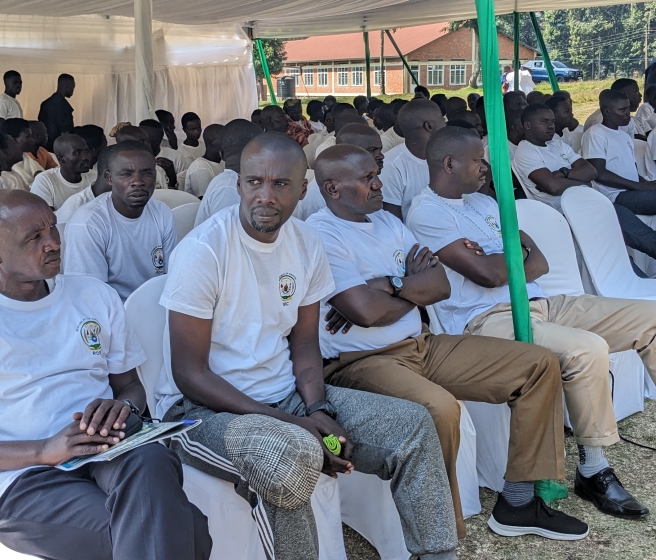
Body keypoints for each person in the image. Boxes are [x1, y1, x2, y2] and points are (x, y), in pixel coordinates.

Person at [408, 127, 656, 517]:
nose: (486, 167)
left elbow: (537, 261)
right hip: (487, 320)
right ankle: (594, 468)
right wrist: (509, 257)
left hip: (542, 302)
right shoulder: (427, 211)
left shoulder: (484, 204)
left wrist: (504, 258)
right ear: (449, 163)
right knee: (586, 348)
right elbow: (489, 276)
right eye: (478, 159)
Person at [158, 132, 459, 560]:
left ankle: (436, 554)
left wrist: (317, 409)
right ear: (239, 183)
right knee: (291, 456)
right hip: (201, 414)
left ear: (303, 190)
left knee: (411, 425)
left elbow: (303, 347)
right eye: (253, 182)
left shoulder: (305, 243)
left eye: (280, 184)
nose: (265, 195)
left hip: (286, 397)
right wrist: (293, 424)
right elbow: (190, 375)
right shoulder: (204, 251)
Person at [0, 190, 211, 560]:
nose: (52, 242)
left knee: (152, 460)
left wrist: (123, 409)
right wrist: (43, 450)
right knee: (186, 529)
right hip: (23, 478)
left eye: (52, 228)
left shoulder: (94, 296)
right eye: (33, 237)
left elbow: (129, 387)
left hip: (106, 450)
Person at [308, 144, 584, 541]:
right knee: (439, 408)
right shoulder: (320, 234)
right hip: (362, 361)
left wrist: (388, 285)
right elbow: (363, 313)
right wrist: (403, 286)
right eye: (367, 178)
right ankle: (442, 537)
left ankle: (519, 502)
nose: (379, 183)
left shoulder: (388, 223)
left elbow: (437, 286)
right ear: (333, 188)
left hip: (421, 344)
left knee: (538, 365)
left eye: (377, 173)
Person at [582, 88, 656, 282]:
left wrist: (646, 182)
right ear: (607, 111)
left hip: (631, 190)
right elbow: (599, 173)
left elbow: (629, 169)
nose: (628, 114)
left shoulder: (623, 134)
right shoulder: (596, 134)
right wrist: (639, 187)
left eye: (628, 109)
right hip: (614, 196)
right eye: (622, 110)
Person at [64, 142, 176, 301]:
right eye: (126, 174)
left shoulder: (162, 212)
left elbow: (170, 275)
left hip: (156, 307)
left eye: (147, 173)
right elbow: (90, 295)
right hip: (113, 315)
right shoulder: (88, 223)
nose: (138, 181)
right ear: (109, 178)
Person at [512, 104, 594, 210]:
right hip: (564, 210)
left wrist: (563, 173)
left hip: (584, 200)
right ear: (528, 125)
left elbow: (591, 171)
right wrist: (584, 183)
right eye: (544, 121)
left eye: (553, 121)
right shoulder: (526, 151)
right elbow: (553, 187)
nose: (551, 126)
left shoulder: (558, 144)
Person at [380, 99, 442, 220]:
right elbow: (393, 222)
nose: (445, 123)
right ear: (429, 126)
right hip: (413, 236)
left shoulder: (445, 157)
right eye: (442, 119)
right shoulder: (392, 165)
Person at [29, 133, 92, 209]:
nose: (85, 157)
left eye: (87, 151)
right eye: (77, 153)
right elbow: (47, 219)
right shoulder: (44, 180)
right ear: (61, 159)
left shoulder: (95, 177)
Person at [184, 123, 225, 198]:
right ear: (210, 142)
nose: (227, 142)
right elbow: (203, 202)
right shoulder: (201, 167)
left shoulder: (222, 162)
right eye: (223, 139)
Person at [38, 74, 76, 149]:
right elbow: (66, 130)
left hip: (46, 146)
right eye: (72, 87)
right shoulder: (63, 106)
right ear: (66, 86)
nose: (73, 91)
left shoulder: (45, 103)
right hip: (60, 146)